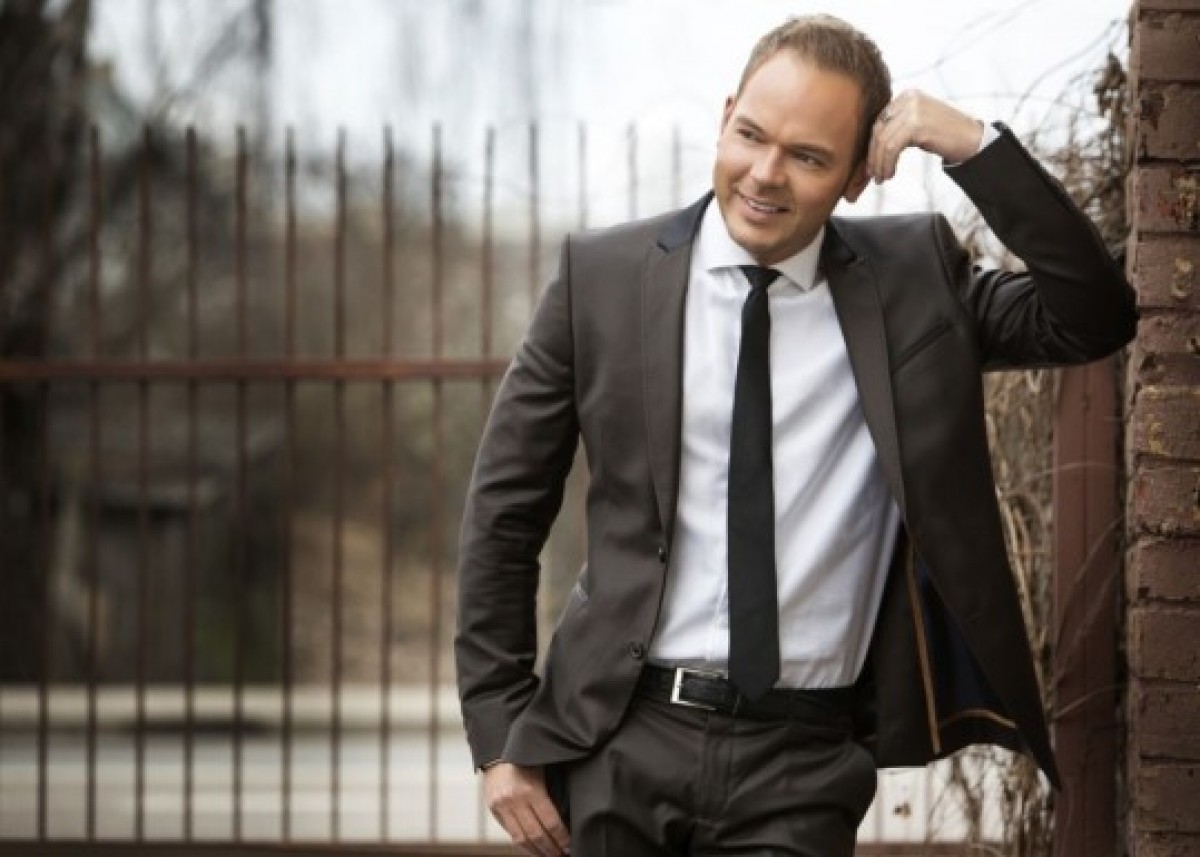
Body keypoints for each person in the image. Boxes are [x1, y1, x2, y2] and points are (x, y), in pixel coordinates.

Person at [455, 13, 1136, 857]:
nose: (765, 175)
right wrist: (499, 733)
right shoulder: (602, 279)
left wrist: (971, 145)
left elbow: (1094, 314)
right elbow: (504, 512)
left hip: (803, 763)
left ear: (856, 177)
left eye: (809, 157)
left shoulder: (914, 284)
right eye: (752, 135)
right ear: (726, 116)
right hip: (618, 739)